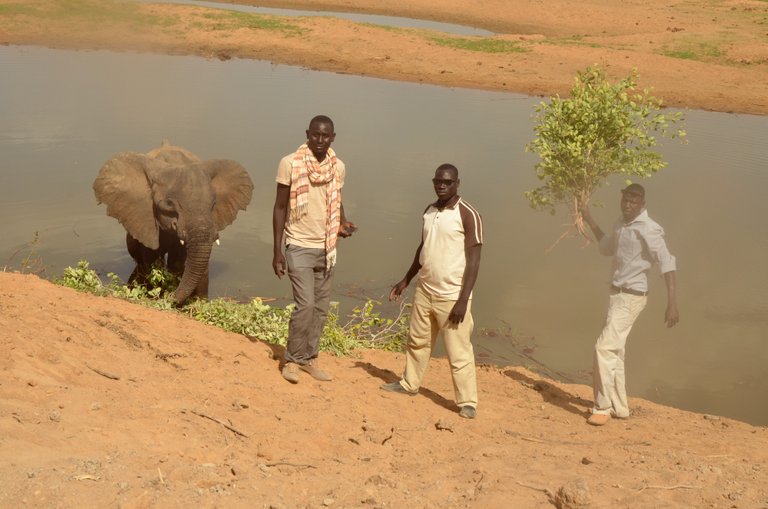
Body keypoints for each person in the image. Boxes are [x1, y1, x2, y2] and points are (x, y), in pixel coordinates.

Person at [381, 164, 483, 419]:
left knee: (458, 351)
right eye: (438, 181)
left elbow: (474, 261)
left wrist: (462, 300)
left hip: (451, 296)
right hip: (425, 290)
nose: (442, 185)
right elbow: (424, 248)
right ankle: (409, 384)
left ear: (457, 183)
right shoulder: (429, 211)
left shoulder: (467, 214)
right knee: (418, 342)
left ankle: (467, 402)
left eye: (447, 182)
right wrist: (406, 279)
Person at [581, 183, 679, 426]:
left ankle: (602, 407)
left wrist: (672, 302)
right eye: (625, 199)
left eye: (634, 201)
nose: (628, 204)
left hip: (633, 297)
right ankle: (620, 407)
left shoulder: (649, 229)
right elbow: (606, 248)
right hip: (616, 294)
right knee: (616, 351)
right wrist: (588, 217)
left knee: (603, 348)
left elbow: (666, 263)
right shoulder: (620, 224)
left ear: (642, 204)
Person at [272, 115, 356, 384]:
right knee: (305, 305)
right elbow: (280, 207)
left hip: (327, 246)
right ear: (308, 133)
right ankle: (293, 360)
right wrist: (277, 251)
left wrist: (342, 224)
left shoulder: (338, 167)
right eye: (316, 135)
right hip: (298, 244)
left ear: (333, 137)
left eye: (326, 136)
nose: (320, 140)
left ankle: (309, 357)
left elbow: (336, 199)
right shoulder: (289, 163)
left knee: (320, 308)